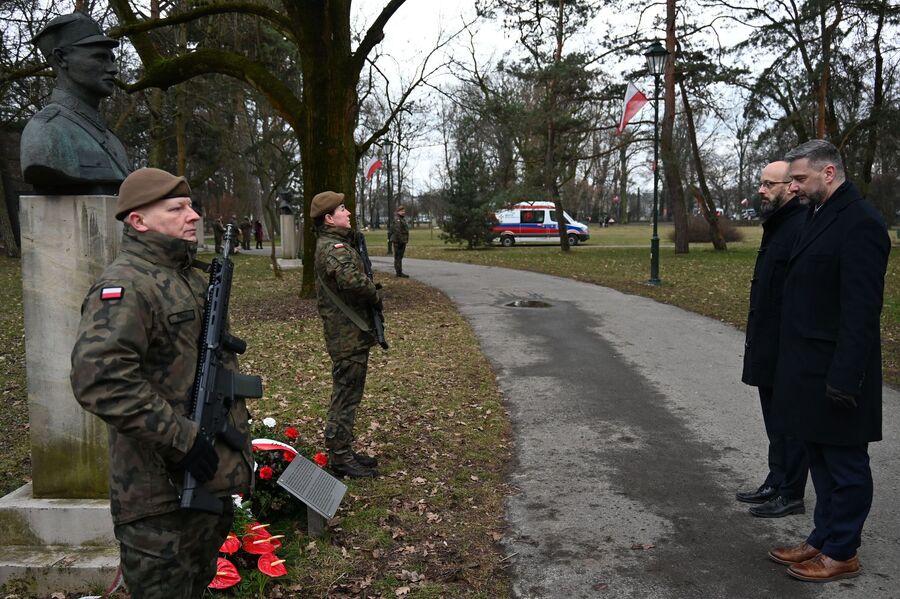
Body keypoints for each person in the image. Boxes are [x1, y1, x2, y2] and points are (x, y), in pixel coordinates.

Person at [70, 168, 253, 598]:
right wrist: (183, 440)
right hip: (156, 498)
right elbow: (99, 379)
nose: (193, 215)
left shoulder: (185, 275)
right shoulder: (126, 285)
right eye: (177, 208)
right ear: (138, 220)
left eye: (190, 205)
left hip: (205, 482)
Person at [768, 140, 889, 582]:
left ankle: (843, 551)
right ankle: (822, 538)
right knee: (819, 457)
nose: (794, 187)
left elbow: (861, 310)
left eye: (800, 178)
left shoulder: (861, 223)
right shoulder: (819, 215)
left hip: (839, 370)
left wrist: (845, 376)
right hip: (808, 366)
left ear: (830, 173)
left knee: (845, 465)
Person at [737, 161, 809, 518]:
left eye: (769, 184)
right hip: (769, 341)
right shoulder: (777, 224)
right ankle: (776, 480)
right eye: (761, 183)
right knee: (774, 418)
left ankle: (791, 492)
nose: (762, 190)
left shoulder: (799, 226)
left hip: (788, 345)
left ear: (790, 188)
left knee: (790, 422)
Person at [20, 12, 131, 194]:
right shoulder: (46, 131)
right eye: (100, 57)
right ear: (61, 58)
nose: (113, 69)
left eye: (112, 59)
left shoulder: (111, 139)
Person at [311, 190, 381, 478]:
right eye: (342, 209)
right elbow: (352, 281)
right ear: (329, 218)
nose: (348, 213)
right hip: (346, 335)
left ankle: (343, 450)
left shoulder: (336, 243)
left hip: (350, 333)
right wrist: (374, 293)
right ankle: (339, 456)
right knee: (345, 395)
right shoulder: (333, 248)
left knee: (350, 394)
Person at [392, 205, 409, 278]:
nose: (403, 212)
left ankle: (399, 271)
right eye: (402, 211)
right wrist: (401, 241)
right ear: (398, 211)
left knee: (399, 257)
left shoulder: (402, 219)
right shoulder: (397, 220)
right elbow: (397, 231)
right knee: (398, 257)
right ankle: (398, 272)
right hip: (398, 241)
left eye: (404, 211)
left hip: (402, 240)